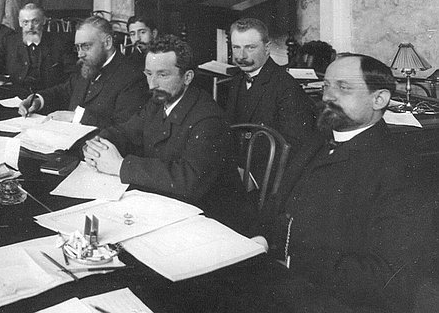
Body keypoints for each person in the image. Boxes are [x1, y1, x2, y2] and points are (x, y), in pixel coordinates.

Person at [258, 54, 436, 311]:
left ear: (379, 99)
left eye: (343, 87)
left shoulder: (401, 171)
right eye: (326, 86)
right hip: (284, 281)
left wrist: (290, 259)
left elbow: (387, 279)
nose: (328, 96)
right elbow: (275, 207)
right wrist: (260, 239)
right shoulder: (314, 143)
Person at [81, 35, 249, 230]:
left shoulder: (209, 120)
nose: (152, 84)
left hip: (210, 219)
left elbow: (188, 181)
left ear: (187, 77)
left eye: (162, 75)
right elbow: (125, 132)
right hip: (168, 206)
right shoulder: (158, 101)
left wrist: (120, 166)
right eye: (148, 73)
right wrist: (97, 144)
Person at [18, 16, 149, 128]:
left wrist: (76, 117)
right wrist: (37, 100)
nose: (80, 54)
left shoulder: (132, 77)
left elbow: (124, 129)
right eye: (77, 47)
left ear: (107, 43)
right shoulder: (88, 65)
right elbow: (64, 91)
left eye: (86, 46)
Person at [224, 17, 315, 149]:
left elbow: (293, 146)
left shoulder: (286, 87)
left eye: (250, 48)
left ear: (267, 48)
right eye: (236, 47)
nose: (241, 56)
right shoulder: (237, 79)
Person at [0, 3, 76, 91]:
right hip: (16, 95)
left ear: (44, 21)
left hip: (48, 97)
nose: (30, 27)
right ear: (20, 22)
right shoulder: (10, 41)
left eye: (35, 21)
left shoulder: (60, 43)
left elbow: (72, 76)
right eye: (25, 22)